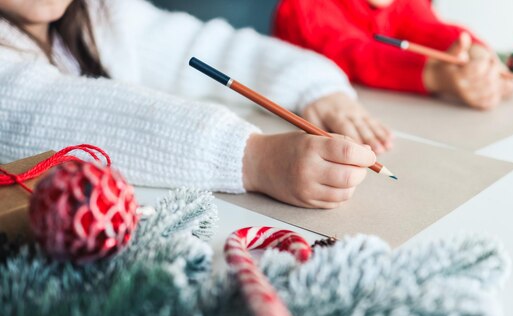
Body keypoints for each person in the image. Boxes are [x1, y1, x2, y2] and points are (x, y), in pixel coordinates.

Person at [0, 0, 393, 210]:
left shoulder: (102, 11)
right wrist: (254, 159)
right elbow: (56, 110)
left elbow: (204, 45)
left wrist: (314, 85)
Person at [273, 0, 513, 110]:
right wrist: (436, 75)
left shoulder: (400, 3)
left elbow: (431, 27)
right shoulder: (302, 7)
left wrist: (479, 54)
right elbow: (357, 55)